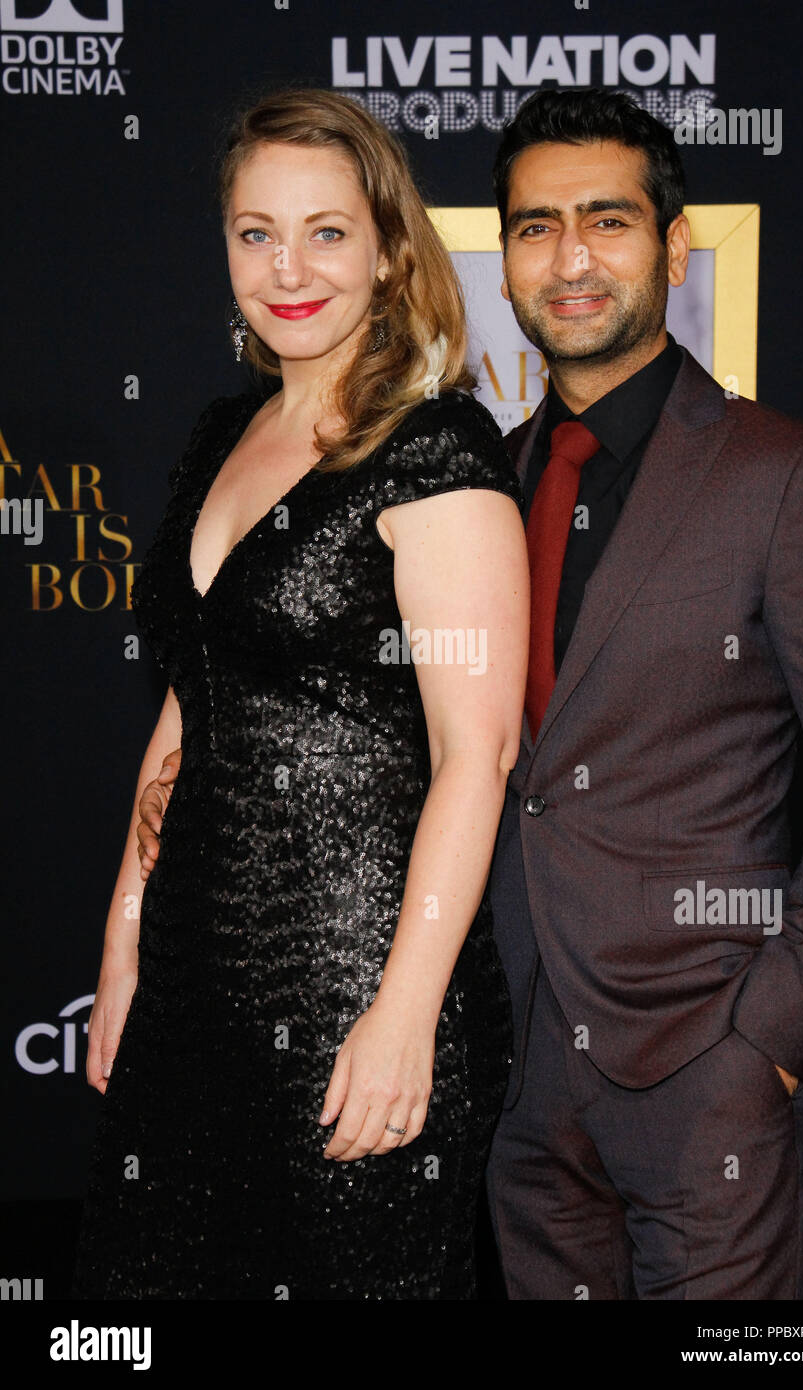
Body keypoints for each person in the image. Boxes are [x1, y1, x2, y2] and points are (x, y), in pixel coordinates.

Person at [138, 87, 803, 1301]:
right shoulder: (478, 472)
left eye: (605, 221)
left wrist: (774, 1038)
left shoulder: (784, 473)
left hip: (706, 1072)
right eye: (533, 226)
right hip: (514, 1077)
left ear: (673, 247)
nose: (568, 258)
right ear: (498, 255)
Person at [72, 87, 529, 1301]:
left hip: (351, 978)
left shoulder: (435, 452)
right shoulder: (222, 432)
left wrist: (404, 1015)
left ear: (387, 249)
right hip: (191, 978)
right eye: (254, 231)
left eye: (326, 231)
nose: (288, 268)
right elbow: (186, 709)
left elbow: (475, 754)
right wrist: (125, 947)